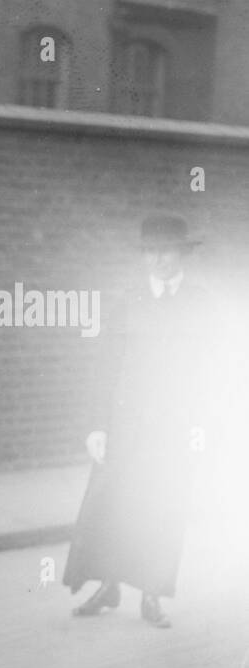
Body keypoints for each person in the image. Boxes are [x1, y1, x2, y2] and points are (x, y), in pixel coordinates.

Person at [64, 214, 215, 628]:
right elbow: (106, 367)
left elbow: (209, 369)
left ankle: (152, 594)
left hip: (173, 427)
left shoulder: (200, 303)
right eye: (151, 251)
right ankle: (109, 585)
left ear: (181, 254)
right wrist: (97, 425)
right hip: (125, 424)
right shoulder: (127, 301)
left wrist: (200, 423)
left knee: (162, 507)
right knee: (113, 505)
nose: (158, 260)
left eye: (166, 251)